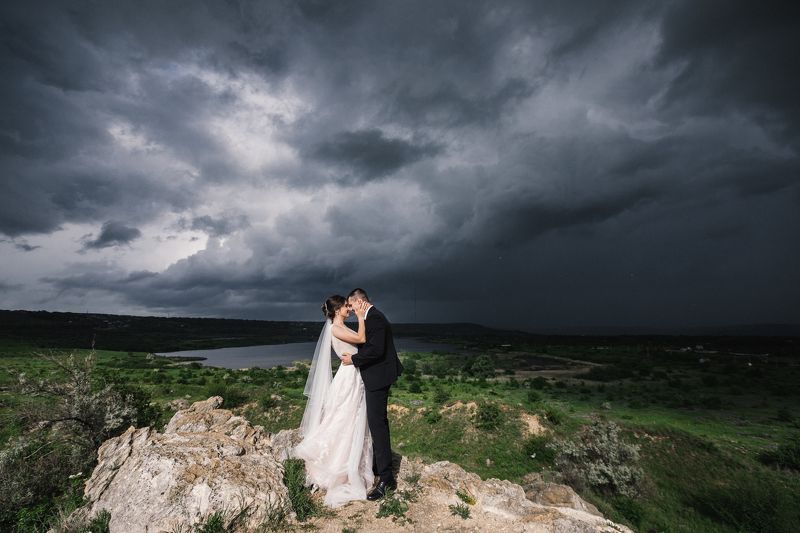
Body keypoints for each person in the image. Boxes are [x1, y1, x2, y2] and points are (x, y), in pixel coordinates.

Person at [293, 294, 373, 507]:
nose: (349, 308)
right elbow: (362, 340)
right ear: (338, 310)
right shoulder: (335, 329)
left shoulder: (341, 327)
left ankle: (351, 461)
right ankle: (336, 464)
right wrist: (362, 315)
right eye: (347, 306)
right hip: (348, 378)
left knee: (351, 420)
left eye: (350, 306)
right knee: (342, 420)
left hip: (354, 376)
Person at [339, 288, 404, 500]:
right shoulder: (371, 317)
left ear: (359, 302)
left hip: (378, 378)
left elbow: (375, 350)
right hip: (377, 376)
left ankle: (386, 479)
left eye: (350, 305)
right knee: (375, 423)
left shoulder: (375, 318)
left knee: (377, 425)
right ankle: (378, 465)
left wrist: (353, 360)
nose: (349, 308)